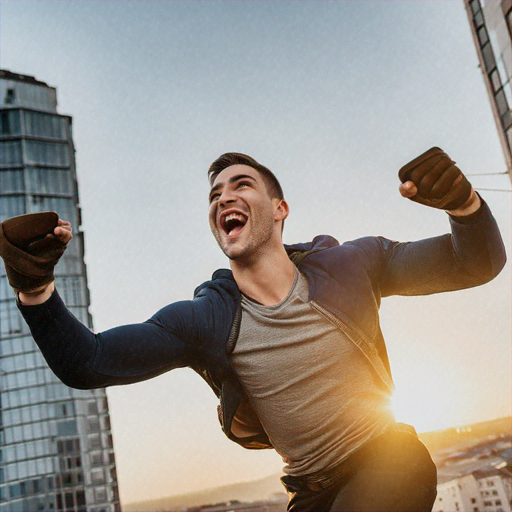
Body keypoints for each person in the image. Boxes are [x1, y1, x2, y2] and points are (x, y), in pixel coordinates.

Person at [0, 147, 506, 512]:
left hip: (390, 458)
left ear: (280, 210)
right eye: (215, 194)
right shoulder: (204, 319)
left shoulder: (356, 263)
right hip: (309, 492)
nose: (224, 198)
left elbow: (475, 263)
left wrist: (463, 206)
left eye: (242, 185)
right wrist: (34, 287)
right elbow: (86, 363)